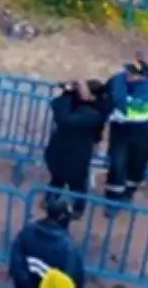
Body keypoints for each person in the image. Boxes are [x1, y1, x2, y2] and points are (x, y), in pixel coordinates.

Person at [104, 58, 148, 204]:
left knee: (137, 168)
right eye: (129, 71)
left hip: (144, 137)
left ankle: (127, 194)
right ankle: (112, 200)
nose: (128, 74)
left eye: (133, 73)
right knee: (117, 165)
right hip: (120, 133)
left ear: (144, 76)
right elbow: (103, 99)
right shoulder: (116, 82)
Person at [45, 80, 108, 213]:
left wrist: (66, 95)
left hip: (75, 154)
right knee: (57, 179)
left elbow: (64, 119)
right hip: (61, 150)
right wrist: (68, 92)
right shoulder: (80, 106)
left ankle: (77, 208)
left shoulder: (93, 114)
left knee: (76, 183)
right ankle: (51, 201)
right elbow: (56, 106)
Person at [8, 196, 86, 288]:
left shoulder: (27, 231)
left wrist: (24, 282)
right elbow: (75, 280)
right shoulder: (69, 248)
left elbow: (15, 262)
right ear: (63, 218)